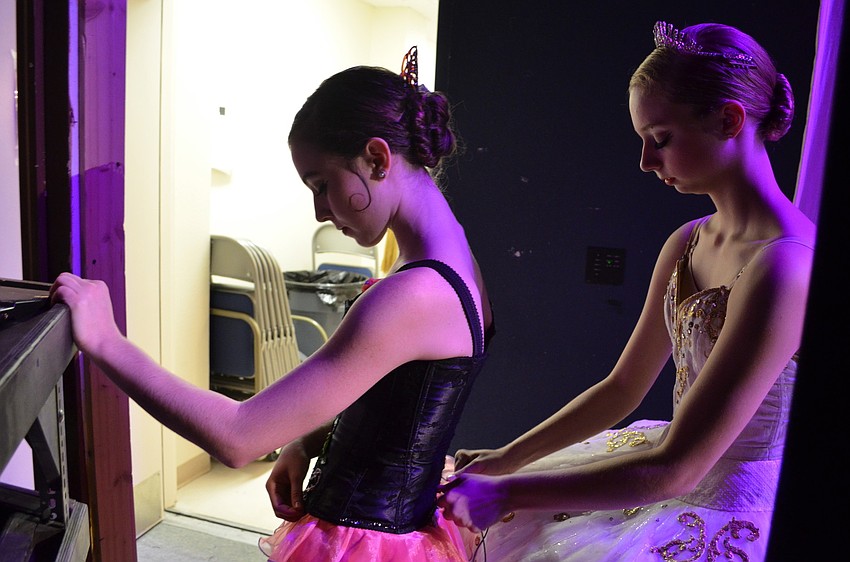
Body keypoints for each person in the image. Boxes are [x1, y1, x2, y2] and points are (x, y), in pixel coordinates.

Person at [51, 47, 494, 562]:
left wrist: (106, 341)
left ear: (376, 158)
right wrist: (305, 441)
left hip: (370, 542)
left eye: (322, 184)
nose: (320, 211)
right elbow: (386, 390)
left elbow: (238, 437)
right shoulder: (459, 264)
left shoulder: (414, 293)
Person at [437, 22, 815, 561]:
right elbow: (621, 389)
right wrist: (506, 459)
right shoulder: (688, 240)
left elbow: (679, 469)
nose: (645, 161)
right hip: (668, 474)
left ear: (730, 120)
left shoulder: (785, 266)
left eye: (660, 139)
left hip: (730, 510)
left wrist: (508, 492)